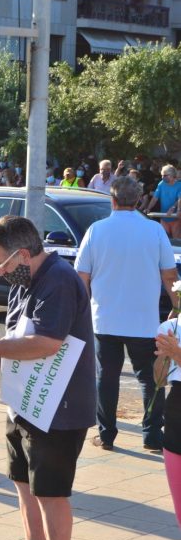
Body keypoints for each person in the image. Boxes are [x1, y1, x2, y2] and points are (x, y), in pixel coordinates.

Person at [0, 215, 95, 540]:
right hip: (24, 402)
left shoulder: (59, 280)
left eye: (1, 262)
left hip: (58, 407)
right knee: (23, 482)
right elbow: (14, 344)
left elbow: (46, 343)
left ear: (24, 254)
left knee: (50, 492)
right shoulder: (23, 280)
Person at [74, 177, 176, 452]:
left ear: (112, 200)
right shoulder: (154, 230)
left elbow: (81, 278)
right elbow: (170, 276)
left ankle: (106, 435)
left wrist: (78, 314)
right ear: (139, 200)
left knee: (106, 378)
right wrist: (177, 307)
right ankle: (151, 435)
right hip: (143, 321)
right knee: (150, 379)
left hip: (104, 320)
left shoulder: (96, 230)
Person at [153, 330, 181, 528]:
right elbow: (159, 380)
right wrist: (164, 355)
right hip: (175, 429)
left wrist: (176, 353)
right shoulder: (172, 327)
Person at [146, 165, 181, 239]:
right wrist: (148, 208)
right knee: (164, 239)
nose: (162, 177)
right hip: (164, 217)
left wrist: (175, 208)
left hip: (175, 217)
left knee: (176, 240)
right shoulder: (161, 184)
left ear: (172, 175)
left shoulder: (179, 185)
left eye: (165, 175)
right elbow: (155, 198)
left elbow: (180, 199)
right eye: (162, 175)